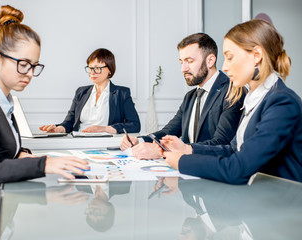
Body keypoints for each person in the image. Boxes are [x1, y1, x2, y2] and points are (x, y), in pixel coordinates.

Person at [0, 5, 89, 239]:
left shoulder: (3, 100)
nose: (30, 73)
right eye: (23, 64)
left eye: (34, 66)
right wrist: (41, 164)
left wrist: (23, 155)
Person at [162, 19, 302, 184]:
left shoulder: (282, 102)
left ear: (256, 56)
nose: (225, 67)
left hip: (282, 204)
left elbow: (238, 167)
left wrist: (182, 162)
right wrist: (188, 149)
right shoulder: (255, 99)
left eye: (229, 58)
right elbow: (232, 150)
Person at [120, 33, 245, 159]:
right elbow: (168, 131)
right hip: (187, 169)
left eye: (189, 61)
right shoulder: (190, 96)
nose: (183, 69)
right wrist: (139, 141)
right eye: (181, 62)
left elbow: (221, 143)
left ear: (210, 61)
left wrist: (165, 151)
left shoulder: (233, 91)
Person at [39, 48, 141, 134]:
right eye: (90, 68)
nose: (92, 72)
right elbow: (69, 122)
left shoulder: (121, 93)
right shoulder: (81, 92)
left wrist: (105, 129)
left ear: (109, 69)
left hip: (105, 144)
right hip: (78, 140)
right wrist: (58, 129)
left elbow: (135, 125)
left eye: (97, 68)